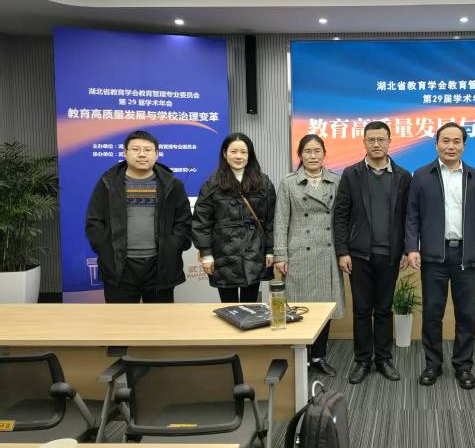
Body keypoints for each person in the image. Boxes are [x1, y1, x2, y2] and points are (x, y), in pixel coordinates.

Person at [405, 122, 475, 390]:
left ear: (464, 145)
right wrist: (412, 248)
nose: (451, 146)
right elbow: (412, 217)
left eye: (456, 141)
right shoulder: (422, 175)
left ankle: (463, 366)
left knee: (466, 315)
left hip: (467, 256)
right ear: (436, 144)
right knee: (433, 314)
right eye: (445, 141)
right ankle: (432, 364)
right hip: (434, 256)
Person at [334, 121, 411, 384]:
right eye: (371, 140)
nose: (376, 144)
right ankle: (362, 361)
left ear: (389, 142)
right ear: (364, 142)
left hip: (390, 255)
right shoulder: (351, 174)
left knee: (385, 309)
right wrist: (342, 251)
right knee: (362, 310)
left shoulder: (403, 176)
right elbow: (341, 215)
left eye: (381, 139)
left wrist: (407, 249)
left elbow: (408, 217)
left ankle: (384, 359)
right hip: (358, 255)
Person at [86, 130, 191, 303]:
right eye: (135, 149)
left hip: (159, 265)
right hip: (120, 266)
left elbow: (183, 221)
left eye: (148, 150)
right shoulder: (108, 183)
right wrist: (106, 250)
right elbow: (94, 221)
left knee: (159, 318)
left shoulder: (172, 185)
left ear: (156, 154)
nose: (142, 154)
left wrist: (172, 247)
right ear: (125, 153)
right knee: (120, 319)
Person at [273, 134, 344, 376]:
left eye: (317, 151)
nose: (312, 156)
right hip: (298, 253)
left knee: (325, 307)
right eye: (307, 151)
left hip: (327, 251)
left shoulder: (336, 181)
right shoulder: (289, 183)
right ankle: (300, 356)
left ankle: (319, 356)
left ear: (324, 154)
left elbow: (342, 219)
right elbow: (280, 221)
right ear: (300, 155)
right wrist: (280, 255)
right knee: (298, 306)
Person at [192, 133, 276, 303]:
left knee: (250, 304)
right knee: (228, 306)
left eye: (243, 152)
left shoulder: (263, 183)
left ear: (250, 155)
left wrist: (270, 250)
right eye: (234, 151)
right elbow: (201, 222)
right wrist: (206, 254)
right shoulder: (212, 184)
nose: (239, 156)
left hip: (254, 252)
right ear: (225, 153)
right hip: (223, 253)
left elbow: (271, 220)